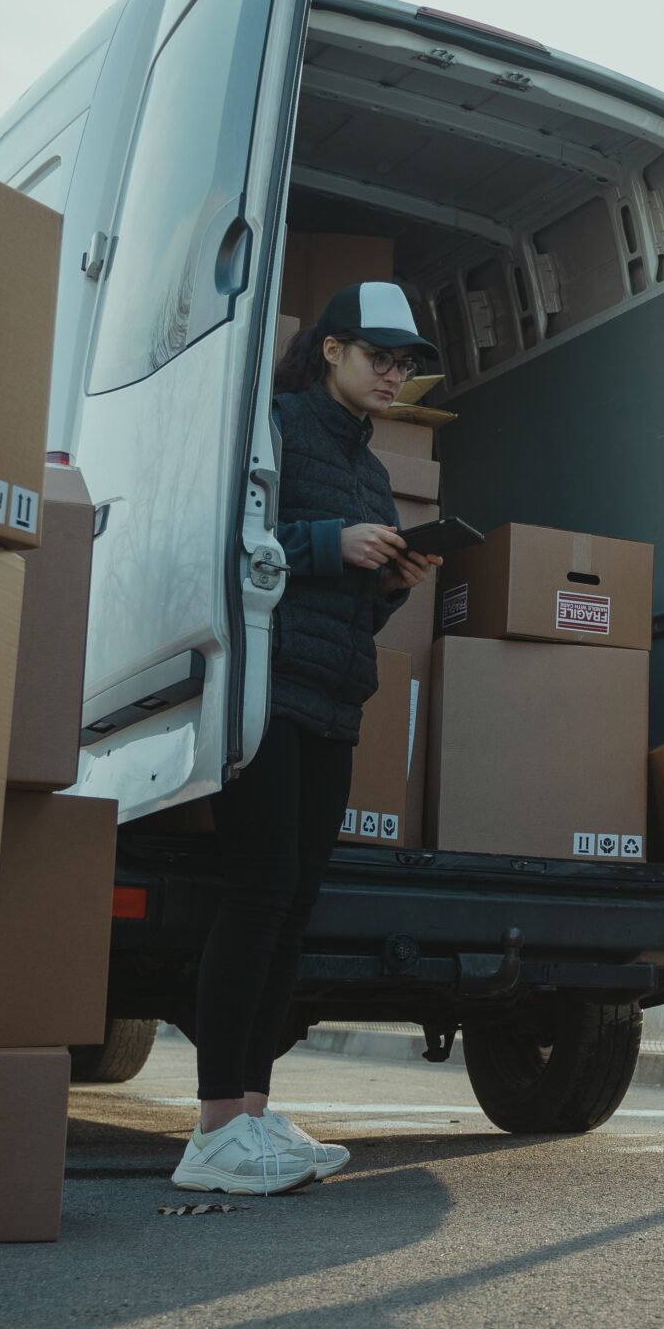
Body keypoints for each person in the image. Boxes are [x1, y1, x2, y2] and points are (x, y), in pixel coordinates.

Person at [172, 280, 445, 1194]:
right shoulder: (276, 427)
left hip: (333, 701)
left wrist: (396, 576)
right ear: (331, 349)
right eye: (380, 356)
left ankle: (251, 1113)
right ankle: (211, 1131)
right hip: (263, 691)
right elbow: (223, 542)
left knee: (292, 905)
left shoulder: (373, 471)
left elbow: (353, 616)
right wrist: (333, 544)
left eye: (405, 364)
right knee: (255, 896)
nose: (394, 375)